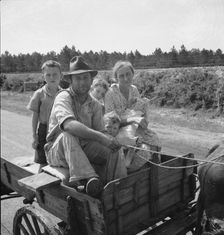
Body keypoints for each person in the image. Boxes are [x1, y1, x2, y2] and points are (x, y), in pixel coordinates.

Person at [44, 56, 124, 197]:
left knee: (114, 150)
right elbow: (68, 125)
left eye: (85, 78)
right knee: (68, 134)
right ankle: (89, 179)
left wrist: (111, 140)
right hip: (57, 151)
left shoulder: (95, 104)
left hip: (83, 147)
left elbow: (101, 132)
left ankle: (116, 187)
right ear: (70, 80)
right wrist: (101, 137)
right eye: (78, 78)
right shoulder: (63, 97)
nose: (82, 82)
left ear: (91, 80)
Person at [104, 60, 161, 171]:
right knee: (143, 151)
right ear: (116, 78)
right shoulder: (110, 94)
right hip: (117, 130)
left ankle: (153, 172)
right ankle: (127, 173)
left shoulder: (133, 90)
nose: (125, 78)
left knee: (155, 140)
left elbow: (138, 112)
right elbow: (110, 122)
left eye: (128, 74)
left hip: (134, 128)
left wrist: (143, 108)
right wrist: (133, 118)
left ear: (132, 74)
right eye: (121, 76)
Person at [27, 60, 62, 170]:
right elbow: (35, 116)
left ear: (61, 76)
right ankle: (40, 185)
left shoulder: (64, 94)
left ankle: (55, 185)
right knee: (43, 161)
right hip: (43, 130)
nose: (52, 77)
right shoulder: (39, 94)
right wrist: (34, 136)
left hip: (58, 130)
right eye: (48, 75)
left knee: (57, 160)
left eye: (55, 74)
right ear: (44, 77)